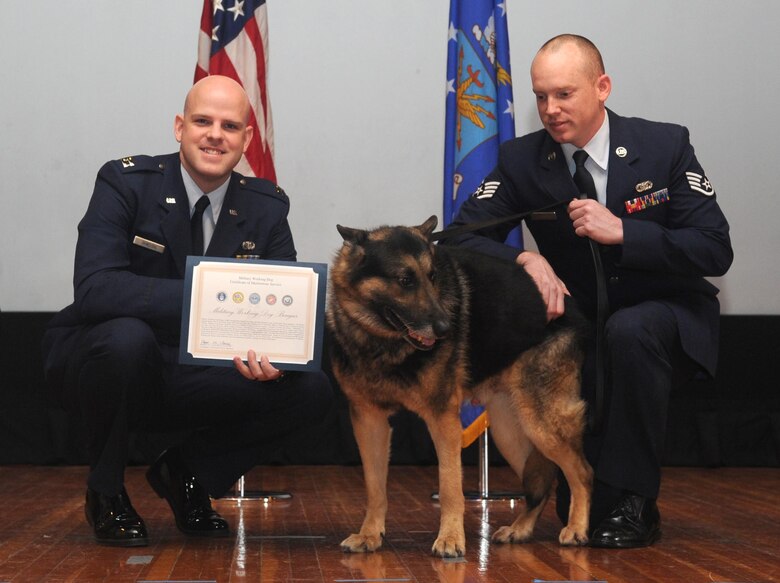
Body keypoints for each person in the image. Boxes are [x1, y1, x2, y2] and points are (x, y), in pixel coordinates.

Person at [443, 34, 733, 548]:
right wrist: (524, 257)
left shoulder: (664, 146)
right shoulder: (522, 160)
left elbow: (714, 249)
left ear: (602, 87)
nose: (550, 110)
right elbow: (459, 237)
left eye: (564, 94)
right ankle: (603, 497)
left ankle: (637, 502)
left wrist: (626, 231)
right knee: (589, 519)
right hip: (581, 330)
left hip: (665, 318)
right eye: (540, 97)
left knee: (631, 329)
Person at [42, 75, 333, 547]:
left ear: (246, 140)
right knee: (126, 339)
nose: (215, 135)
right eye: (202, 121)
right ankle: (106, 490)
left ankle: (187, 473)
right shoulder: (125, 182)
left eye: (230, 126)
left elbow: (286, 305)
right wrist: (211, 297)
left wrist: (274, 357)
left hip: (199, 369)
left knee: (311, 389)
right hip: (111, 364)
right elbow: (95, 288)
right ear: (180, 127)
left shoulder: (267, 208)